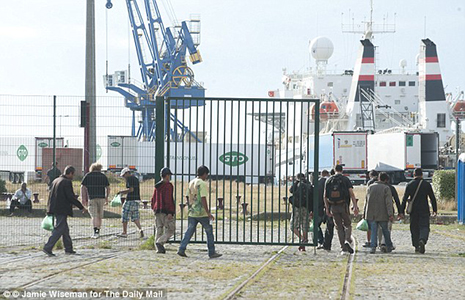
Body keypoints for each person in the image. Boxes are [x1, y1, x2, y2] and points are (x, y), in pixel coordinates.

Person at [178, 166, 222, 259]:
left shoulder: (191, 182)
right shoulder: (202, 183)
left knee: (189, 231)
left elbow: (187, 195)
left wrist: (190, 205)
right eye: (207, 174)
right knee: (209, 231)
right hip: (202, 213)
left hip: (192, 212)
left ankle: (181, 248)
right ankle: (211, 252)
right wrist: (208, 212)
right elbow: (203, 198)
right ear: (205, 174)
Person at [43, 166, 88, 256]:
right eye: (73, 174)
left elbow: (50, 195)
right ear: (70, 173)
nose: (73, 176)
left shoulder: (56, 180)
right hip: (62, 208)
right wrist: (81, 207)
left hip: (54, 207)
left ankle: (68, 248)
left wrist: (49, 209)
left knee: (65, 230)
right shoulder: (66, 182)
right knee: (59, 229)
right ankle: (48, 247)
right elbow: (70, 197)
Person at [401, 168, 437, 254]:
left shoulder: (409, 185)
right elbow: (432, 198)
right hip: (424, 209)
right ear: (422, 175)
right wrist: (435, 210)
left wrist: (401, 211)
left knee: (414, 227)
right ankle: (422, 240)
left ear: (414, 174)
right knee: (424, 226)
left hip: (413, 210)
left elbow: (404, 198)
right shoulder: (426, 184)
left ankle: (416, 245)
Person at [324, 165, 359, 254]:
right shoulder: (345, 179)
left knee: (339, 227)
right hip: (343, 205)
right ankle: (347, 240)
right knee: (347, 224)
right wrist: (355, 206)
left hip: (333, 207)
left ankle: (343, 248)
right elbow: (351, 193)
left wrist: (327, 209)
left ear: (334, 170)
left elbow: (324, 196)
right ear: (342, 170)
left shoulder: (328, 180)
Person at [364, 172, 395, 254]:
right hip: (383, 213)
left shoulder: (370, 187)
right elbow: (388, 203)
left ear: (378, 178)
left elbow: (366, 201)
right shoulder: (386, 188)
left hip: (372, 214)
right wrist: (390, 214)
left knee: (374, 230)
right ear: (386, 180)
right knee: (385, 230)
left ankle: (373, 247)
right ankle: (389, 245)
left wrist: (365, 214)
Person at [81, 163, 110, 239]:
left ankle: (95, 232)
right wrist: (106, 197)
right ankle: (98, 231)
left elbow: (83, 187)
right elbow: (108, 187)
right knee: (100, 216)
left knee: (94, 215)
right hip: (101, 198)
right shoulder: (103, 176)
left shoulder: (88, 175)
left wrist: (83, 198)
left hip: (92, 198)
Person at [151, 167, 175, 254]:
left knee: (159, 229)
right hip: (165, 210)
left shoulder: (157, 186)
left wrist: (154, 208)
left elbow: (153, 199)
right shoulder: (168, 186)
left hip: (157, 210)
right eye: (169, 175)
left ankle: (158, 248)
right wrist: (170, 212)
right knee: (171, 229)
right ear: (167, 176)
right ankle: (160, 242)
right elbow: (168, 199)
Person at [117, 168, 144, 238]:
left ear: (126, 173)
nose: (124, 177)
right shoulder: (135, 178)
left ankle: (124, 232)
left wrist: (121, 192)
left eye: (123, 176)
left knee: (124, 214)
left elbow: (131, 189)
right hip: (137, 199)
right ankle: (140, 229)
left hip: (130, 200)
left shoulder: (129, 179)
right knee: (135, 216)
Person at [289, 173, 312, 252]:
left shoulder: (297, 184)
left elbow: (291, 190)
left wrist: (296, 182)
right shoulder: (308, 184)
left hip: (297, 207)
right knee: (304, 225)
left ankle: (302, 239)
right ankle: (304, 243)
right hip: (306, 207)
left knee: (293, 226)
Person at [377, 174, 402, 249]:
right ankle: (384, 242)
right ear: (387, 180)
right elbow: (397, 200)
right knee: (387, 227)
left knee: (379, 227)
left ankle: (381, 242)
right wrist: (400, 212)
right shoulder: (391, 188)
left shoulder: (375, 187)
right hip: (388, 210)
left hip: (378, 209)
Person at [315, 170, 334, 251]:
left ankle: (320, 240)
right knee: (330, 227)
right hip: (331, 207)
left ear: (322, 174)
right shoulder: (331, 181)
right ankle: (327, 244)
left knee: (316, 225)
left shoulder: (318, 183)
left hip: (319, 207)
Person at [363, 170, 379, 248]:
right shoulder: (380, 181)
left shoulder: (370, 183)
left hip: (371, 206)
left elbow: (367, 196)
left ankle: (369, 241)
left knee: (369, 226)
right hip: (379, 206)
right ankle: (379, 241)